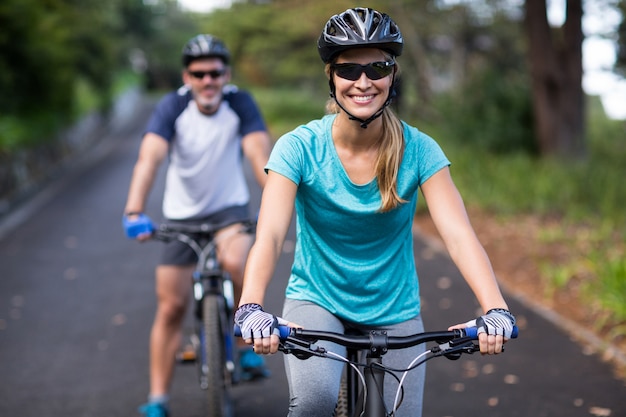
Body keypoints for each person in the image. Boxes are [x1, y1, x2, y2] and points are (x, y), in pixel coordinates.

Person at [234, 7, 516, 417]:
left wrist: (496, 309)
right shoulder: (298, 147)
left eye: (377, 67)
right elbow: (271, 235)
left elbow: (458, 235)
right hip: (317, 301)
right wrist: (251, 306)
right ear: (331, 77)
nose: (363, 82)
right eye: (349, 71)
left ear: (393, 75)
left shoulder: (419, 150)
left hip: (394, 307)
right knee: (313, 404)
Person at [122, 34, 272, 417]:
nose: (208, 81)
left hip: (228, 213)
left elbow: (258, 152)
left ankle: (243, 345)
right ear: (187, 76)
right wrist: (134, 210)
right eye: (199, 74)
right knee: (171, 306)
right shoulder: (172, 106)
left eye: (215, 73)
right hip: (181, 217)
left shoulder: (240, 103)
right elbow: (149, 158)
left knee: (238, 262)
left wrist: (275, 200)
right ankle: (158, 399)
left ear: (227, 74)